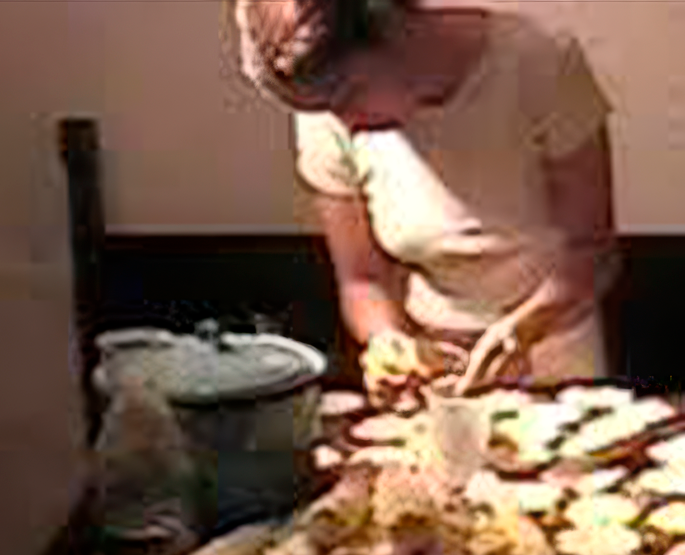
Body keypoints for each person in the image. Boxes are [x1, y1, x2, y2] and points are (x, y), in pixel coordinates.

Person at [228, 0, 619, 399]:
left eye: (348, 96)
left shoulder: (538, 62)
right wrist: (388, 342)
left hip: (556, 358)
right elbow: (362, 280)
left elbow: (592, 250)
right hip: (432, 369)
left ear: (391, 29)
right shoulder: (326, 113)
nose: (347, 124)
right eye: (324, 109)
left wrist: (525, 330)